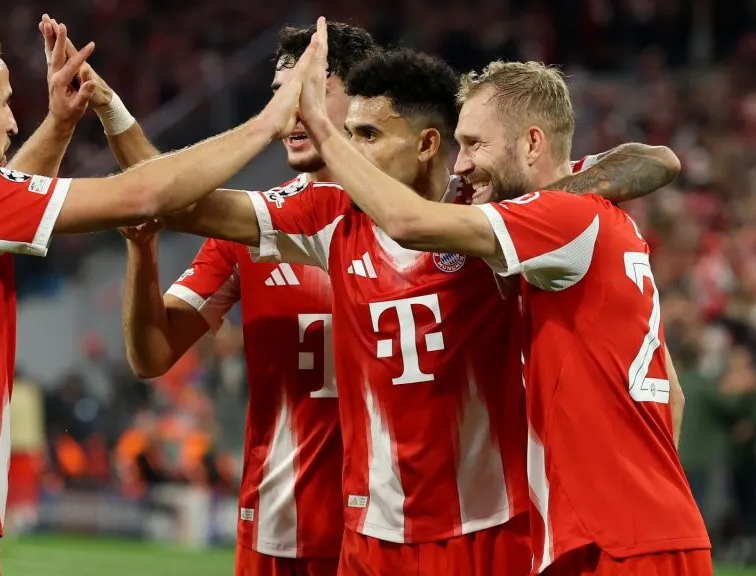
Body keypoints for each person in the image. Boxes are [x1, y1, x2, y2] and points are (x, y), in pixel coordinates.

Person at [151, 22, 677, 574]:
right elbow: (172, 203)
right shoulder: (327, 217)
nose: (464, 161)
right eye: (349, 133)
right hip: (366, 528)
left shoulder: (487, 214)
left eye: (367, 135)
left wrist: (544, 204)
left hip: (495, 521)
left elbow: (656, 160)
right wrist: (115, 121)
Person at [0, 17, 315, 576]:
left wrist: (60, 125)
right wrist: (267, 122)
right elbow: (143, 194)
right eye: (6, 103)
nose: (13, 121)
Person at [291, 22, 711, 576]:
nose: (461, 165)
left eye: (474, 144)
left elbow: (405, 221)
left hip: (619, 543)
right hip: (628, 531)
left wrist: (322, 132)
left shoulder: (563, 219)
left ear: (532, 142)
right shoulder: (580, 220)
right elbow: (671, 396)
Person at [65, 19, 381, 575]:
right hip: (281, 528)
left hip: (395, 524)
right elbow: (152, 354)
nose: (289, 113)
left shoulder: (421, 222)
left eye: (306, 92)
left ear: (363, 102)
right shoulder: (251, 231)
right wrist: (143, 254)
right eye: (278, 95)